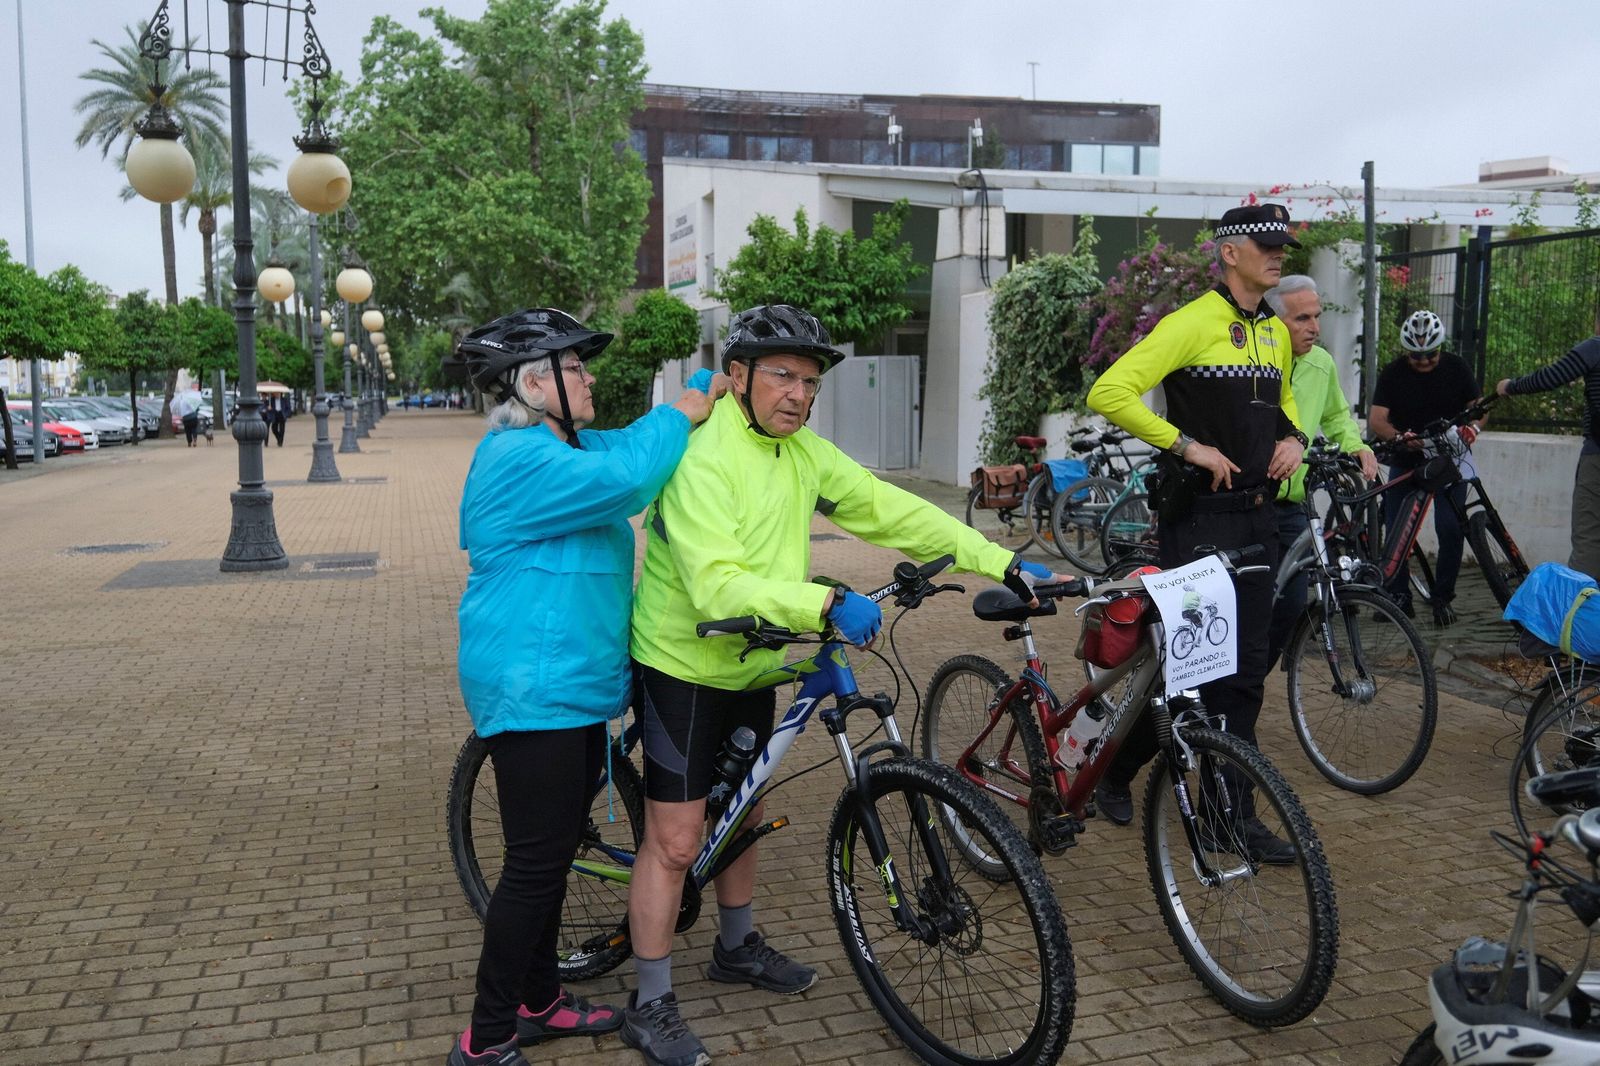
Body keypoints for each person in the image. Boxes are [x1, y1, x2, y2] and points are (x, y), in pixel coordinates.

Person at [623, 304, 1064, 1066]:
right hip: (683, 661)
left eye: (810, 382)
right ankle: (650, 1000)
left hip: (755, 658)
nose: (798, 394)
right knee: (676, 838)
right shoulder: (700, 456)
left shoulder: (804, 456)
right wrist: (822, 602)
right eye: (782, 377)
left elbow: (888, 508)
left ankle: (737, 947)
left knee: (747, 805)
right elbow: (716, 586)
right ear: (737, 377)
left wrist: (997, 560)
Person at [443, 307, 726, 1066]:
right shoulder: (517, 458)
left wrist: (698, 390)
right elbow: (630, 474)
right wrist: (682, 409)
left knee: (556, 852)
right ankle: (487, 1037)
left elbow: (630, 446)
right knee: (535, 866)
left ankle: (537, 1002)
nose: (590, 375)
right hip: (534, 690)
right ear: (534, 383)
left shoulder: (563, 443)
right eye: (575, 366)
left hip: (565, 685)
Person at [1085, 203, 1308, 865]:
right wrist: (1189, 448)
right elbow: (1110, 390)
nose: (1278, 256)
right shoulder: (1191, 323)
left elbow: (1285, 404)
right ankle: (1131, 776)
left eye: (1283, 247)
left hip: (1258, 518)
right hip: (1199, 524)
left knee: (1243, 681)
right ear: (1230, 251)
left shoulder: (1272, 330)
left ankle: (1224, 815)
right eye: (1266, 246)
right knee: (1195, 678)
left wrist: (1294, 440)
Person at [1263, 276, 1380, 666]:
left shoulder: (1321, 363)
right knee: (1247, 606)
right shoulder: (1252, 362)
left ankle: (1246, 687)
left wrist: (1357, 446)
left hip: (1294, 505)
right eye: (1302, 319)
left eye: (1317, 316)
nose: (1314, 328)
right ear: (1276, 322)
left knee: (1293, 603)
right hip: (1249, 504)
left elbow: (1335, 415)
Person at [1369, 309, 1483, 626]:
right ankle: (1399, 597)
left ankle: (1442, 598)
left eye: (1430, 355)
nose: (1424, 361)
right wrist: (1398, 437)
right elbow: (1377, 420)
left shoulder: (1456, 368)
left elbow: (1479, 409)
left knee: (1449, 528)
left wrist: (1473, 428)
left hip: (1449, 459)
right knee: (1396, 531)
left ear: (1440, 348)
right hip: (1408, 458)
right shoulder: (1393, 373)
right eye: (1416, 356)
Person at [1496, 316, 1600, 580]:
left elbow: (1551, 377)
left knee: (1589, 536)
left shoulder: (1595, 347)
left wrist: (1510, 386)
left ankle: (1582, 612)